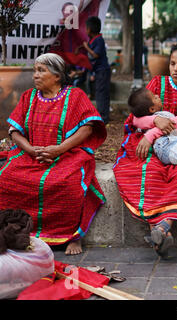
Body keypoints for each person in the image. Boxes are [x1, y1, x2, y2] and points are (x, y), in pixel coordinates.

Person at [113, 43, 177, 258]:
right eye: (172, 63)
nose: (175, 68)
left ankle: (161, 228)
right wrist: (154, 120)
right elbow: (135, 116)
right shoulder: (157, 83)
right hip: (152, 144)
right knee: (149, 171)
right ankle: (160, 230)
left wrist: (150, 133)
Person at [0, 53, 107, 255]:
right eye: (35, 70)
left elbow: (87, 128)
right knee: (6, 178)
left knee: (68, 184)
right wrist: (31, 150)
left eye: (41, 71)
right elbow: (15, 131)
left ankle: (72, 237)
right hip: (31, 155)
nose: (35, 75)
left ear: (57, 76)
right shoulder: (28, 97)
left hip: (66, 154)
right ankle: (16, 233)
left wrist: (58, 149)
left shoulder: (75, 96)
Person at [82, 16, 111, 124]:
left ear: (89, 29)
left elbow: (95, 55)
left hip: (102, 70)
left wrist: (86, 47)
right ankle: (103, 116)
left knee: (101, 94)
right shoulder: (93, 40)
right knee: (100, 93)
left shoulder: (99, 40)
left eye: (86, 28)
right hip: (98, 71)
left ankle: (103, 117)